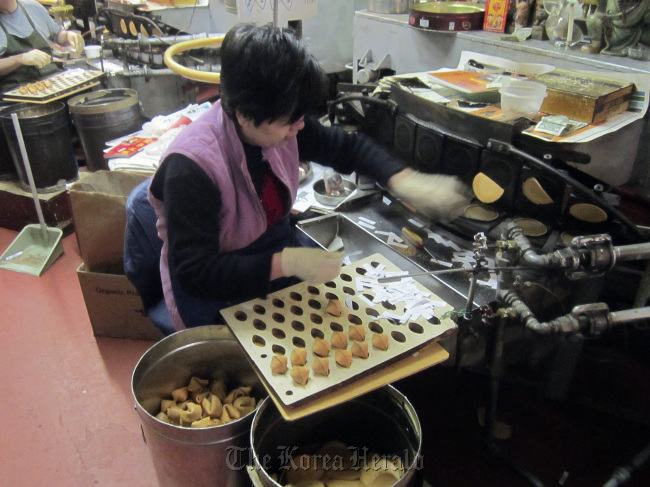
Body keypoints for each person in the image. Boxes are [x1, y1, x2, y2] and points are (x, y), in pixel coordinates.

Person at [144, 23, 471, 332]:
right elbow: (197, 273)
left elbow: (346, 148)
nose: (300, 127)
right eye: (290, 121)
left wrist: (405, 181)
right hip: (214, 287)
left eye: (303, 117)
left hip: (271, 249)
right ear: (243, 113)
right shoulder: (191, 168)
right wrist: (288, 262)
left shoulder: (283, 122)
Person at [0, 0, 84, 91]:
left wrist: (68, 36)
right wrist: (19, 59)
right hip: (16, 93)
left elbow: (56, 34)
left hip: (52, 82)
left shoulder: (33, 7)